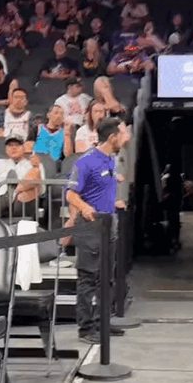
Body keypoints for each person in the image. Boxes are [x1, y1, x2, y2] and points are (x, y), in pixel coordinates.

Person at [65, 117, 127, 344]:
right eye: (121, 135)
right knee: (88, 278)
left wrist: (113, 201)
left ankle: (102, 323)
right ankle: (85, 328)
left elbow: (101, 188)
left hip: (109, 224)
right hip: (91, 227)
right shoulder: (86, 162)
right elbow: (71, 194)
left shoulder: (111, 159)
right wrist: (84, 207)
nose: (124, 138)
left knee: (106, 278)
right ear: (112, 137)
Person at [0, 135, 45, 216]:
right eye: (10, 145)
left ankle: (13, 193)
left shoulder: (34, 164)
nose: (13, 148)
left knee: (35, 173)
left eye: (17, 145)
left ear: (24, 147)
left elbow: (42, 189)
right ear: (6, 149)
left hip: (20, 202)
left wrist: (36, 166)